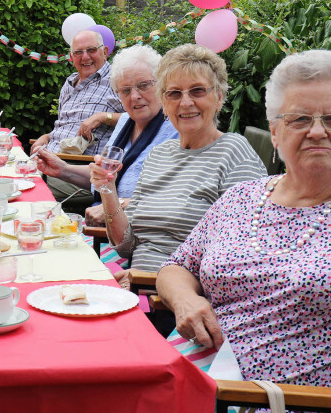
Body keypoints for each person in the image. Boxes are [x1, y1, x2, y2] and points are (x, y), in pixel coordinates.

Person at [156, 50, 331, 413]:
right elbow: (176, 266)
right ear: (275, 131)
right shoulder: (240, 198)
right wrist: (185, 300)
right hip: (194, 388)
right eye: (299, 119)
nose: (316, 131)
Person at [92, 44, 266, 275]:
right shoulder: (159, 154)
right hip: (137, 285)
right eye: (174, 93)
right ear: (164, 103)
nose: (185, 102)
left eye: (197, 91)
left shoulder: (234, 154)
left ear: (219, 97)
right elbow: (126, 245)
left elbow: (238, 258)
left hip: (175, 300)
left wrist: (154, 283)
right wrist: (107, 189)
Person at [34, 45, 178, 226]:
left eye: (143, 85)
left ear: (161, 85)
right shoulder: (126, 121)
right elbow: (104, 177)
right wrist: (63, 169)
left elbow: (177, 197)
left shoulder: (175, 128)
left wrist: (118, 206)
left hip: (141, 237)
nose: (134, 96)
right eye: (125, 90)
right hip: (104, 230)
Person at [29, 30, 125, 208]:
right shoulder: (70, 82)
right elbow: (66, 126)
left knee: (25, 189)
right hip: (49, 160)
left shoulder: (117, 80)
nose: (85, 57)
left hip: (80, 170)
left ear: (105, 51)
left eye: (91, 50)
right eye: (79, 52)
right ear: (71, 57)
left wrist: (104, 117)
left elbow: (141, 118)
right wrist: (47, 137)